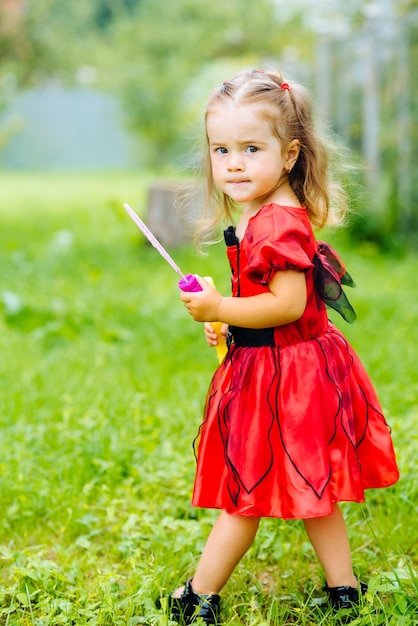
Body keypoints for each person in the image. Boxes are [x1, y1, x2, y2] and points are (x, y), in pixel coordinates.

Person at [168, 69, 399, 625]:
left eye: (252, 148)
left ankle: (199, 598)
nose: (235, 164)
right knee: (313, 484)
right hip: (292, 366)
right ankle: (344, 590)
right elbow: (265, 305)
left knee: (245, 492)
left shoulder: (275, 223)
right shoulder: (266, 213)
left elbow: (287, 304)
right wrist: (229, 326)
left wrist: (223, 308)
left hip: (286, 378)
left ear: (290, 153)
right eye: (221, 149)